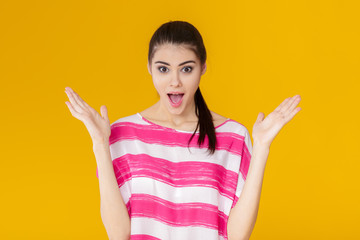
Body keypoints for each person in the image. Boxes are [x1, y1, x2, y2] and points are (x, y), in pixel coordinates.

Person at [64, 20, 302, 240]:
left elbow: (238, 235)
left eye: (186, 69)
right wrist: (99, 143)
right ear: (149, 68)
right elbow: (118, 234)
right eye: (163, 69)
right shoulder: (123, 134)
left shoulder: (232, 137)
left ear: (203, 68)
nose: (174, 81)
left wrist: (261, 148)